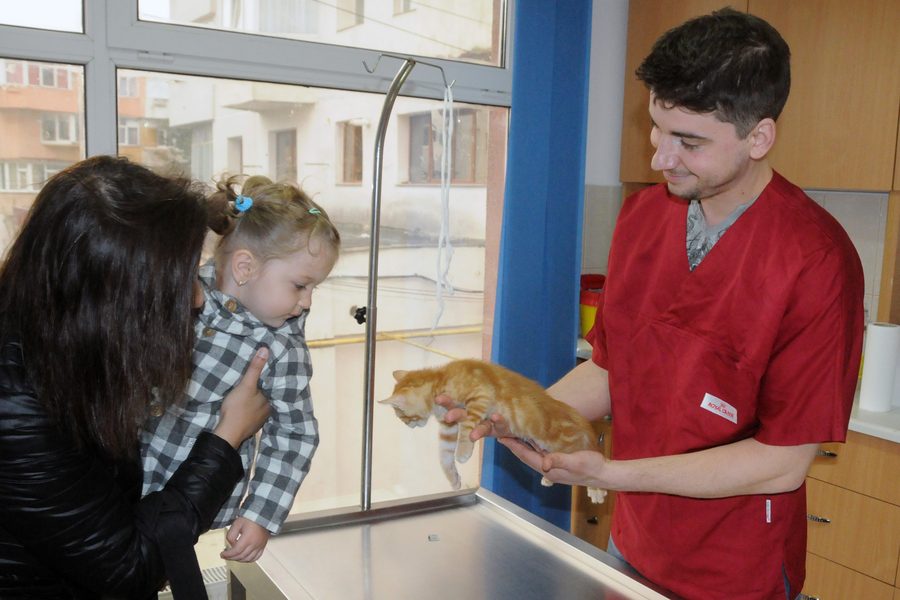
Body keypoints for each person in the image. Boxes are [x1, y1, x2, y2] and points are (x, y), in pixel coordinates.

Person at [440, 8, 865, 600]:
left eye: (688, 142)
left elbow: (782, 462)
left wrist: (611, 474)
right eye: (658, 130)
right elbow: (612, 370)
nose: (660, 158)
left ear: (759, 137)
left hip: (735, 568)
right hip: (635, 541)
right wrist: (515, 412)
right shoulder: (643, 218)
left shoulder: (816, 260)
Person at [0, 155, 271, 599]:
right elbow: (127, 568)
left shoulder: (65, 345)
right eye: (179, 281)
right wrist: (227, 437)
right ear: (116, 298)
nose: (198, 299)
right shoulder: (16, 410)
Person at [141, 175, 340, 564]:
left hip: (194, 499)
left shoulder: (282, 349)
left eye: (313, 289)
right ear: (245, 267)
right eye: (300, 285)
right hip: (122, 485)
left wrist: (260, 514)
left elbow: (294, 434)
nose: (307, 302)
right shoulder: (180, 290)